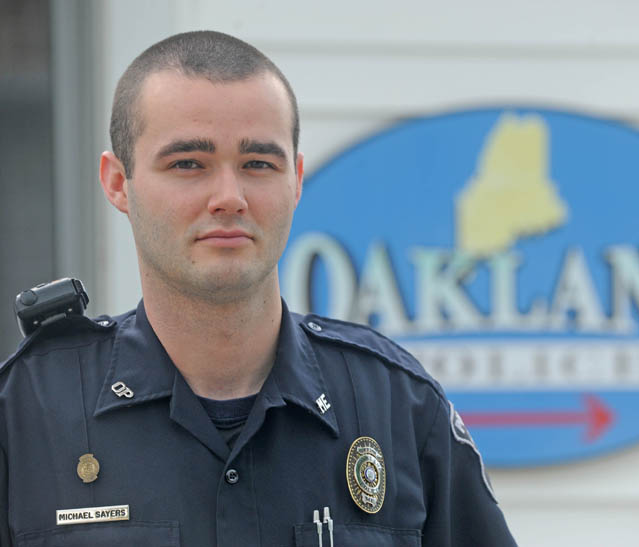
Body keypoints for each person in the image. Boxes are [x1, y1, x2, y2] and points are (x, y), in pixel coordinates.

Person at [0, 31, 517, 546]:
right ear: (118, 183)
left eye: (258, 164)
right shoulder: (26, 412)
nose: (229, 196)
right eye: (188, 163)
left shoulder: (396, 405)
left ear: (295, 180)